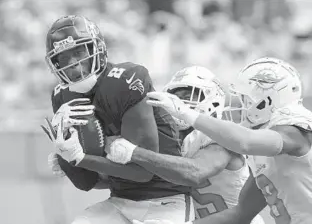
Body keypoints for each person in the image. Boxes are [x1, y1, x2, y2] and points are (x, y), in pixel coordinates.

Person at [42, 15, 193, 224]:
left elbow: (143, 173)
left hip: (165, 198)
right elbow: (88, 183)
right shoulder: (63, 96)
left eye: (78, 52)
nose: (74, 65)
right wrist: (68, 161)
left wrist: (81, 158)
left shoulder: (125, 80)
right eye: (64, 59)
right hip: (120, 199)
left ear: (98, 49)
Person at [144, 57, 312, 224]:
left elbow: (245, 141)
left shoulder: (294, 129)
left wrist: (185, 112)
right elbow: (241, 213)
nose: (241, 104)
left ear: (268, 100)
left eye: (246, 98)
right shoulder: (264, 154)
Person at [104, 66, 264, 224]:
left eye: (190, 95)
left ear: (213, 101)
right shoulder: (166, 137)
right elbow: (132, 180)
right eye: (175, 95)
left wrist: (133, 152)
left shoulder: (219, 136)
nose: (179, 101)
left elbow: (195, 172)